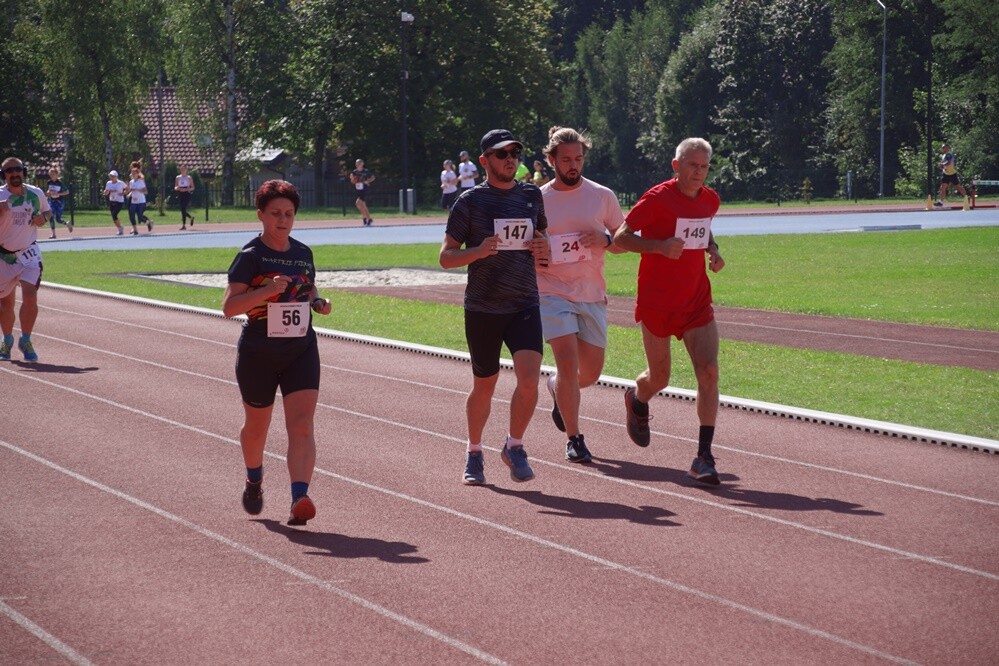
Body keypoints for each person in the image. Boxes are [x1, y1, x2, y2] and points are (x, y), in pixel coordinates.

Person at [439, 129, 551, 485]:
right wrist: (479, 251)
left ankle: (514, 445)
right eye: (502, 154)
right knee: (485, 384)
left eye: (515, 153)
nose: (510, 159)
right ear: (484, 161)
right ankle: (474, 451)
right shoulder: (469, 202)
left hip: (524, 302)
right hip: (483, 307)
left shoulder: (531, 195)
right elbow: (446, 257)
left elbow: (542, 240)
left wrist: (544, 248)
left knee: (529, 379)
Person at [613, 137, 726, 485]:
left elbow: (703, 229)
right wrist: (658, 247)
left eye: (704, 166)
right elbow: (620, 237)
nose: (698, 172)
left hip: (696, 301)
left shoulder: (710, 199)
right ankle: (638, 397)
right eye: (692, 165)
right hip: (658, 301)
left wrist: (713, 250)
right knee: (659, 378)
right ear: (676, 166)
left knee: (709, 372)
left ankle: (704, 457)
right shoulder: (657, 198)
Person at [222, 179, 332, 526]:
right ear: (260, 215)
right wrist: (266, 291)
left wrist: (317, 301)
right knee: (257, 428)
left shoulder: (303, 253)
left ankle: (299, 497)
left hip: (301, 348)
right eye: (275, 214)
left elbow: (308, 287)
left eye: (289, 214)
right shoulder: (250, 257)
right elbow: (229, 307)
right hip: (259, 351)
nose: (283, 220)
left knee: (302, 425)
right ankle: (254, 480)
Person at [537, 127, 625, 463]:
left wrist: (606, 240)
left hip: (591, 292)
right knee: (567, 360)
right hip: (551, 290)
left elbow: (624, 240)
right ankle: (574, 439)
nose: (573, 165)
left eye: (578, 159)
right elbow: (523, 243)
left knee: (589, 374)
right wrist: (537, 249)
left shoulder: (602, 196)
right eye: (566, 160)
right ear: (551, 160)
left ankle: (556, 386)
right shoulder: (537, 200)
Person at [0, 156, 51, 363]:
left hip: (29, 253)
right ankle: (7, 339)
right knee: (5, 304)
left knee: (30, 296)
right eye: (9, 171)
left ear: (24, 172)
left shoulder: (35, 193)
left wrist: (43, 218)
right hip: (4, 255)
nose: (14, 173)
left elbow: (47, 211)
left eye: (18, 169)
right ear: (4, 175)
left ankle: (26, 339)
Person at [125, 162, 153, 234]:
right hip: (134, 201)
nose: (133, 175)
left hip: (141, 201)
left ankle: (148, 222)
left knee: (140, 217)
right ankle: (135, 230)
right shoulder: (131, 182)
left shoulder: (141, 181)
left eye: (134, 174)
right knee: (131, 215)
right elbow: (129, 190)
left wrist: (138, 190)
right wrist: (128, 190)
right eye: (132, 174)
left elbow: (145, 191)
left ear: (137, 174)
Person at [45, 167, 71, 238]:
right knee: (50, 216)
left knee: (58, 220)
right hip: (52, 201)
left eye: (53, 174)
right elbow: (48, 190)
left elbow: (67, 192)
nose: (51, 176)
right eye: (50, 174)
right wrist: (48, 193)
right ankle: (53, 234)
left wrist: (58, 194)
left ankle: (67, 223)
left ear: (57, 174)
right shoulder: (49, 182)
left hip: (59, 202)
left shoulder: (60, 183)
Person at [349, 159, 375, 226]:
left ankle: (367, 219)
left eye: (359, 163)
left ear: (362, 164)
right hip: (358, 190)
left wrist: (367, 181)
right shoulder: (354, 172)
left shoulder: (365, 171)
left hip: (365, 190)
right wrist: (352, 179)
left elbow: (373, 177)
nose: (357, 164)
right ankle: (366, 218)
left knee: (360, 203)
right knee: (360, 205)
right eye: (356, 163)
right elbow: (352, 181)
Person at [103, 170, 127, 235]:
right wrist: (105, 192)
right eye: (111, 176)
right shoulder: (109, 183)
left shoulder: (120, 183)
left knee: (114, 214)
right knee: (113, 216)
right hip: (112, 200)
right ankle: (120, 227)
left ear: (116, 177)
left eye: (113, 176)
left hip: (119, 201)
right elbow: (106, 191)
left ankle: (120, 228)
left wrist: (123, 193)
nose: (112, 178)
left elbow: (127, 189)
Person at [175, 165, 196, 230]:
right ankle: (190, 218)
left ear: (186, 170)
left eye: (184, 169)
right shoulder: (178, 177)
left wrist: (187, 189)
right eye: (181, 169)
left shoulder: (189, 178)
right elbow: (175, 187)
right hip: (180, 193)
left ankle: (184, 225)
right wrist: (178, 188)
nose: (183, 171)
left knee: (184, 208)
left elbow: (193, 187)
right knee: (182, 209)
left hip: (187, 194)